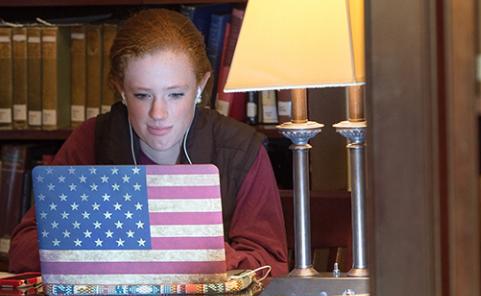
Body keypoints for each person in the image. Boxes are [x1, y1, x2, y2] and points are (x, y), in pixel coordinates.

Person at [8, 9, 288, 276]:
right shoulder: (92, 140)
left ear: (201, 86)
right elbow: (23, 248)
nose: (158, 114)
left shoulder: (240, 150)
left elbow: (270, 265)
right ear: (121, 90)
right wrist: (99, 249)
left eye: (175, 94)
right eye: (142, 95)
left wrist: (199, 257)